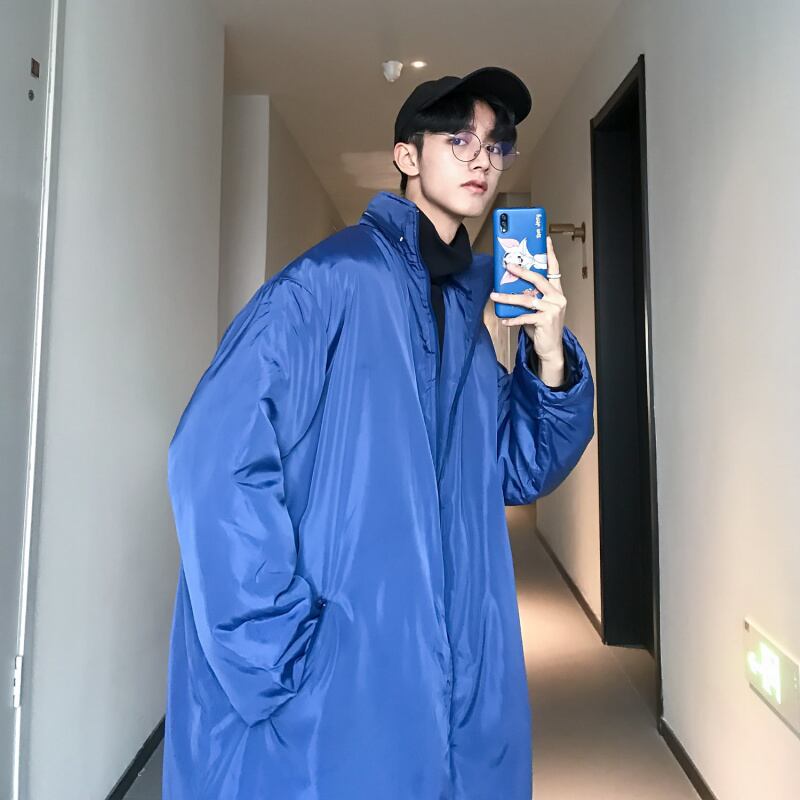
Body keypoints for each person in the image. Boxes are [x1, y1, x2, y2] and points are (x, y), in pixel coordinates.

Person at [163, 66, 595, 799]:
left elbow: (514, 469)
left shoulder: (464, 317)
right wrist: (286, 652)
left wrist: (548, 355)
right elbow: (212, 460)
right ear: (406, 156)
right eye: (458, 140)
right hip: (342, 678)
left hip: (455, 666)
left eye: (496, 145)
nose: (482, 159)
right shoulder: (329, 283)